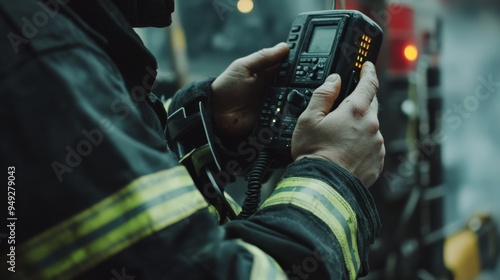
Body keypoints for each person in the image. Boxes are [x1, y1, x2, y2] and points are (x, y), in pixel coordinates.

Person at [0, 0, 384, 279]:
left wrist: (209, 120)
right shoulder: (42, 59)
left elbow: (134, 180)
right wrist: (332, 171)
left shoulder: (58, 35)